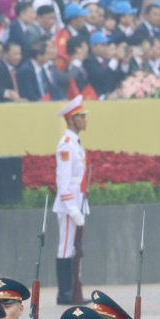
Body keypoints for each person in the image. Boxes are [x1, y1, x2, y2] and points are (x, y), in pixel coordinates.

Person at [54, 97, 90, 304]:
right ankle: (65, 294)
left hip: (78, 198)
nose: (85, 120)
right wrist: (72, 208)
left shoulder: (74, 143)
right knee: (66, 247)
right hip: (69, 203)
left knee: (73, 247)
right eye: (81, 117)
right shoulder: (66, 146)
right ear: (71, 120)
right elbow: (63, 180)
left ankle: (72, 291)